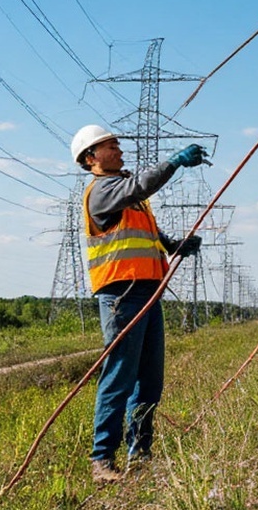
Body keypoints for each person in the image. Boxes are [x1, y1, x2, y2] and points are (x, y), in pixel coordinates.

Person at [69, 124, 206, 483]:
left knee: (149, 380)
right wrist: (175, 162)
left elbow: (149, 234)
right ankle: (102, 460)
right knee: (119, 377)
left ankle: (140, 453)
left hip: (147, 292)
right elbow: (139, 185)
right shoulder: (102, 191)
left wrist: (174, 245)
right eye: (110, 146)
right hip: (121, 296)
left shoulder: (128, 197)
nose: (119, 150)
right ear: (90, 158)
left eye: (116, 144)